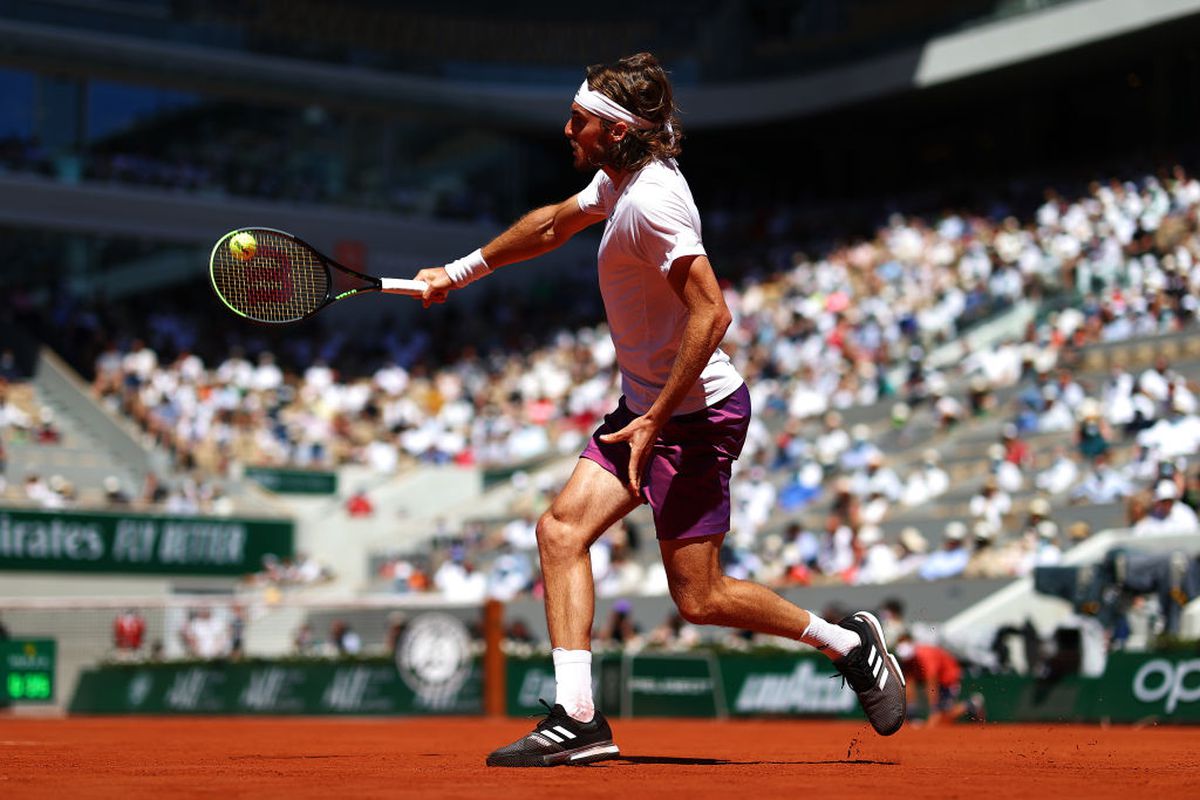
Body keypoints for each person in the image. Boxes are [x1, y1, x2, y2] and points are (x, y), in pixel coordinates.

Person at [415, 53, 905, 768]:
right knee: (559, 532)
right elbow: (553, 224)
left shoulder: (652, 203)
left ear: (615, 132)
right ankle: (578, 717)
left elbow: (714, 314)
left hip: (694, 419)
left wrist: (655, 419)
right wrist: (456, 273)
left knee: (700, 600)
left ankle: (850, 644)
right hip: (644, 410)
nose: (566, 128)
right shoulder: (618, 182)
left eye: (578, 120)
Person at [895, 634, 985, 726]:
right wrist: (909, 709)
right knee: (937, 720)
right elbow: (909, 682)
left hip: (948, 680)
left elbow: (932, 683)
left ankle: (972, 705)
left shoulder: (926, 655)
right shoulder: (907, 659)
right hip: (936, 682)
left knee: (941, 720)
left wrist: (934, 710)